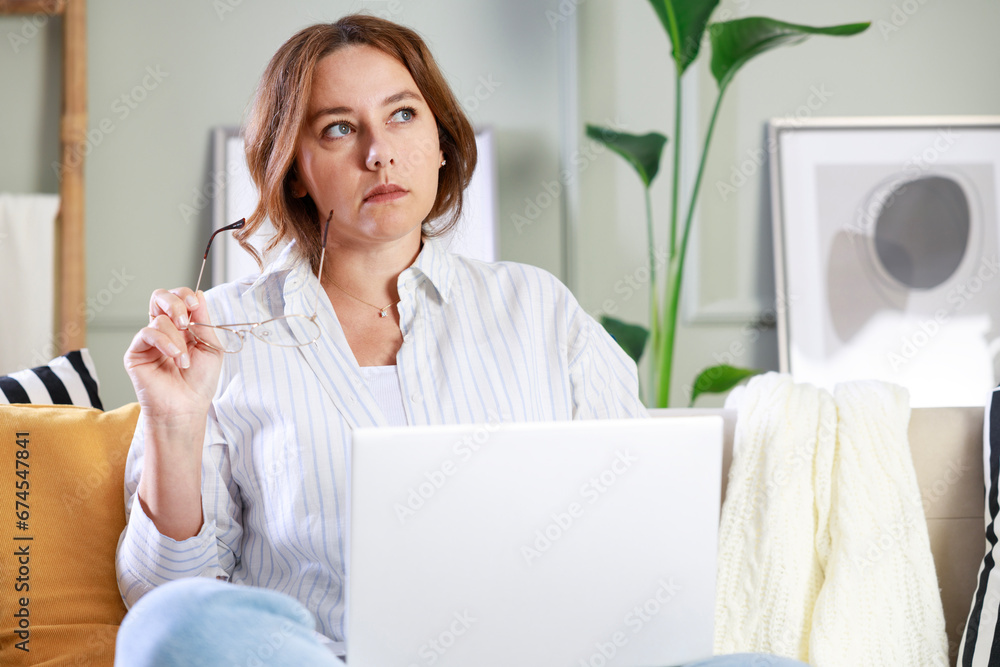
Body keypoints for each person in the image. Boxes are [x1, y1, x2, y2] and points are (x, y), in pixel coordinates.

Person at [114, 14, 806, 667]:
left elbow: (635, 541)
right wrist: (176, 423)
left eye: (403, 115)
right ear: (293, 166)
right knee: (169, 627)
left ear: (441, 141)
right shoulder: (218, 334)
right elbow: (165, 593)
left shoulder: (539, 310)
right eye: (336, 129)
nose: (379, 152)